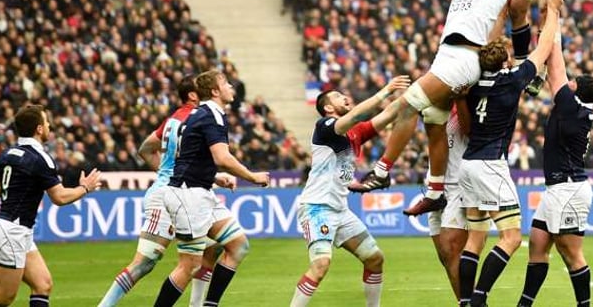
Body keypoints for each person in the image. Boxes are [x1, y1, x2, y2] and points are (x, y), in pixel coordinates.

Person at [348, 0, 553, 216]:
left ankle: (381, 171)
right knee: (432, 119)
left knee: (410, 103)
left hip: (468, 57)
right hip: (446, 55)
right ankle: (436, 188)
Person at [458, 0, 562, 307]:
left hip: (469, 162)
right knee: (512, 237)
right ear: (504, 60)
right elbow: (543, 48)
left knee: (475, 238)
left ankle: (465, 302)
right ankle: (479, 298)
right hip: (490, 164)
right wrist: (554, 11)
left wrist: (501, 16)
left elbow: (465, 123)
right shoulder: (512, 80)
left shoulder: (473, 83)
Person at [98, 77, 229, 307]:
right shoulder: (195, 118)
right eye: (202, 90)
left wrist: (172, 171)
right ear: (192, 95)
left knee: (214, 246)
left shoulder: (172, 120)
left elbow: (146, 149)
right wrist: (168, 175)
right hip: (169, 196)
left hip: (181, 192)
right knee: (144, 263)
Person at [152, 70, 270, 307]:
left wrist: (215, 178)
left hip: (200, 191)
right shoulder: (210, 116)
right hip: (188, 195)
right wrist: (252, 177)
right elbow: (222, 157)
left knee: (238, 245)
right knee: (189, 265)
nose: (231, 87)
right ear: (215, 91)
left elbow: (191, 158)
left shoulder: (202, 114)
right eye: (226, 83)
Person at [290, 74, 411, 306]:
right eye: (337, 96)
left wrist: (416, 94)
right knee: (321, 264)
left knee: (375, 259)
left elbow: (387, 114)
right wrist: (385, 90)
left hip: (340, 210)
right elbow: (358, 114)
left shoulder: (354, 132)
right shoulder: (324, 127)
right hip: (317, 208)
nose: (345, 97)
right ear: (327, 108)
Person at [0, 104, 102, 307]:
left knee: (42, 284)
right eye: (46, 121)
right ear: (39, 129)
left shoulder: (7, 154)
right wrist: (84, 188)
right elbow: (59, 197)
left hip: (13, 229)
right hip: (13, 231)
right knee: (2, 297)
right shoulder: (40, 158)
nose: (49, 125)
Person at [517, 64, 593, 307]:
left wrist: (552, 29)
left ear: (576, 91)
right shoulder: (575, 108)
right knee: (537, 243)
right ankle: (524, 304)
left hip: (569, 188)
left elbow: (556, 67)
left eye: (572, 82)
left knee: (571, 253)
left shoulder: (571, 107)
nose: (568, 83)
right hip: (557, 188)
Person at [427, 98, 470, 301]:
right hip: (434, 188)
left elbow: (470, 129)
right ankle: (466, 301)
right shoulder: (434, 104)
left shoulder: (466, 102)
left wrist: (461, 98)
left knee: (451, 249)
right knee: (445, 256)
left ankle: (471, 303)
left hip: (457, 185)